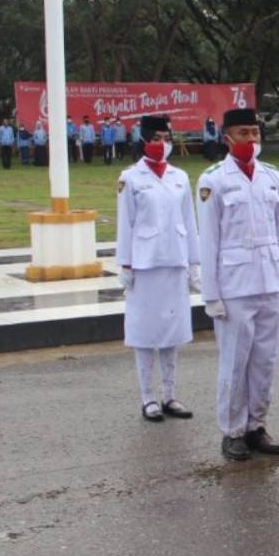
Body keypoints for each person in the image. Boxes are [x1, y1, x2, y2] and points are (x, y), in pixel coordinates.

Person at [196, 108, 279, 462]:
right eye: (243, 133)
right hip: (235, 284)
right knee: (235, 361)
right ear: (227, 138)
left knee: (266, 361)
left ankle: (257, 425)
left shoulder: (271, 177)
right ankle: (233, 430)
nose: (251, 140)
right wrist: (211, 294)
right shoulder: (214, 180)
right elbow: (207, 241)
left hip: (270, 278)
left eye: (255, 132)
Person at [115, 116, 200, 422]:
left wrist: (194, 262)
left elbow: (189, 222)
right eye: (156, 138)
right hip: (145, 263)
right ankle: (148, 397)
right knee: (144, 332)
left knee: (171, 332)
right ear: (143, 140)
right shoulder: (131, 178)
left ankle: (169, 395)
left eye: (166, 137)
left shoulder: (179, 176)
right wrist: (125, 263)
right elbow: (125, 223)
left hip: (174, 261)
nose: (162, 144)